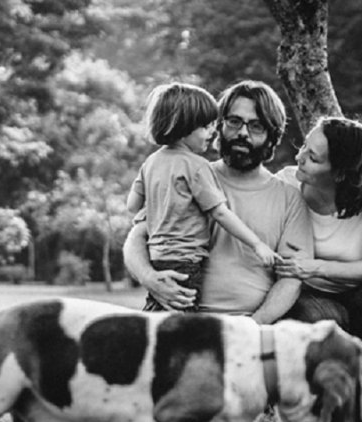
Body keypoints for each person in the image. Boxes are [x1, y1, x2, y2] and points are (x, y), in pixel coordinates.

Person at [124, 80, 313, 323]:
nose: (242, 133)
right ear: (217, 126)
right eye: (234, 122)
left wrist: (250, 327)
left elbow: (291, 280)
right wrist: (149, 277)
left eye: (256, 126)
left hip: (251, 327)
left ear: (271, 136)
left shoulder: (289, 199)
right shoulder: (185, 175)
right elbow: (136, 237)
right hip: (183, 319)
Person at [274, 117, 362, 362]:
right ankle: (340, 376)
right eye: (304, 146)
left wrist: (316, 267)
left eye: (313, 158)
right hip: (309, 296)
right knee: (320, 319)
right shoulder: (286, 183)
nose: (299, 158)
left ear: (339, 174)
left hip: (360, 296)